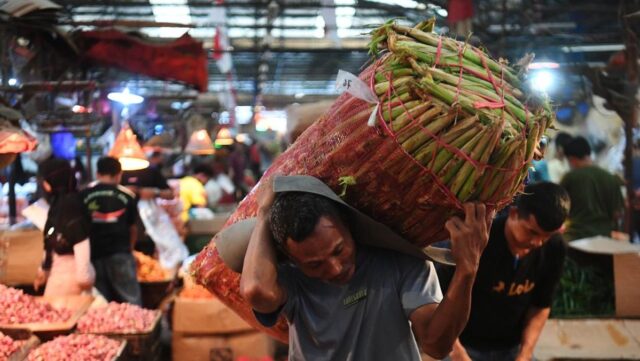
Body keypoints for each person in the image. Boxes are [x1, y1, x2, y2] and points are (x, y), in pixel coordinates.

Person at [239, 175, 494, 360]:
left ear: (350, 227)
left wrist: (467, 270)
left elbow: (437, 345)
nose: (335, 268)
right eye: (315, 265)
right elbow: (255, 291)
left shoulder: (399, 260)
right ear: (293, 260)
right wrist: (264, 215)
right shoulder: (291, 279)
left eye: (339, 250)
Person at [437, 182, 569, 361]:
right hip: (464, 345)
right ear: (513, 214)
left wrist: (525, 353)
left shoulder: (555, 247)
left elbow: (541, 306)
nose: (538, 243)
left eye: (547, 236)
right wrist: (458, 354)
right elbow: (439, 301)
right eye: (532, 232)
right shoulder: (478, 242)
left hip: (511, 349)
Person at [81, 157, 142, 305]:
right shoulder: (128, 196)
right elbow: (133, 228)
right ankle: (135, 326)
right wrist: (130, 249)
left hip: (94, 255)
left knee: (101, 303)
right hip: (120, 253)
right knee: (130, 300)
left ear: (98, 173)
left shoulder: (83, 196)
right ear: (119, 174)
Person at [34, 158, 95, 296]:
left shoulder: (70, 206)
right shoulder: (58, 205)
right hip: (58, 276)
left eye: (44, 179)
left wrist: (83, 277)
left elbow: (81, 241)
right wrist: (43, 271)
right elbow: (51, 238)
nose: (43, 184)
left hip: (72, 280)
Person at [560, 136, 624, 242]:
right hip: (605, 239)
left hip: (576, 237)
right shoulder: (610, 178)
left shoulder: (570, 177)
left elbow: (560, 209)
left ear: (571, 159)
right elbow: (618, 214)